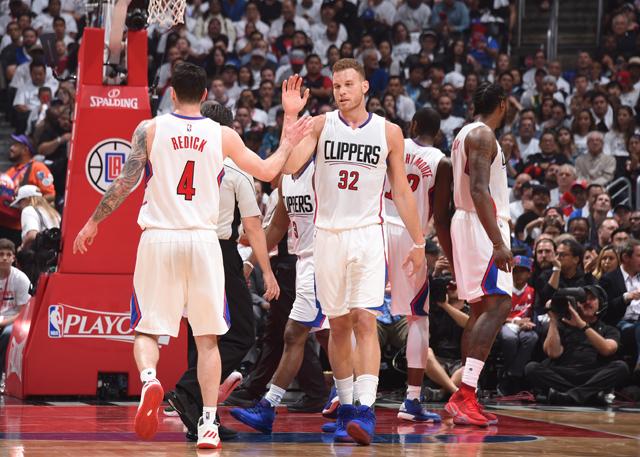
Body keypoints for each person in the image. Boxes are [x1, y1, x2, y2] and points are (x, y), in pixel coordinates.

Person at [72, 62, 312, 449]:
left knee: (148, 329)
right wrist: (287, 126)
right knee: (208, 341)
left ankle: (150, 380)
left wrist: (92, 222)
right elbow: (269, 171)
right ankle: (208, 425)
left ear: (170, 92)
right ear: (204, 95)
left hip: (159, 239)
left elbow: (125, 182)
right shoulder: (222, 135)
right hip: (204, 244)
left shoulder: (149, 129)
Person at [280, 60, 426, 445]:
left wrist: (419, 242)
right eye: (336, 85)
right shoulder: (320, 124)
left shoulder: (388, 132)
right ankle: (347, 409)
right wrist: (291, 117)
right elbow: (292, 166)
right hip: (326, 236)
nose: (341, 91)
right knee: (338, 326)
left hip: (366, 234)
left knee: (365, 319)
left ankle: (365, 408)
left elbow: (403, 190)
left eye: (348, 84)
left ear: (364, 87)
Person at [166, 102, 277, 442]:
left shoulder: (180, 161)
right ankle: (188, 389)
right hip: (217, 250)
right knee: (241, 333)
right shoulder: (235, 169)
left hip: (180, 246)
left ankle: (197, 420)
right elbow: (254, 227)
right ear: (230, 132)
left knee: (199, 334)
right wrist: (266, 272)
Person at [230, 138, 330, 433]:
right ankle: (347, 401)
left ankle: (270, 406)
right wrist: (251, 254)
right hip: (304, 262)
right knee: (324, 335)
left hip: (328, 258)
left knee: (298, 332)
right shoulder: (287, 180)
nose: (286, 151)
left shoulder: (322, 172)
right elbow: (277, 227)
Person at [444, 82, 512, 427]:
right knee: (500, 303)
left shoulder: (463, 133)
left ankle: (465, 394)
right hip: (482, 225)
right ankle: (466, 393)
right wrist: (499, 241)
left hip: (467, 222)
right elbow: (479, 189)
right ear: (502, 104)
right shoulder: (484, 135)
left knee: (480, 309)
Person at [384, 107, 452, 423]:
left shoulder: (393, 142)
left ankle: (344, 394)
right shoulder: (441, 161)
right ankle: (411, 400)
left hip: (376, 227)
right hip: (410, 237)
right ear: (437, 134)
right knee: (417, 320)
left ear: (412, 126)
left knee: (359, 312)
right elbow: (439, 216)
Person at [525, 285, 629, 405]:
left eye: (592, 299)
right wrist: (553, 320)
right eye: (583, 299)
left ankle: (568, 396)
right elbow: (553, 353)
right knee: (531, 368)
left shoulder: (608, 329)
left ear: (601, 304)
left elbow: (607, 349)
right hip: (564, 373)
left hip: (592, 374)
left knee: (621, 367)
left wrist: (581, 324)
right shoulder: (563, 324)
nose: (587, 302)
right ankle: (588, 396)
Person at [497, 256, 538, 395]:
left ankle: (511, 374)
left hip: (526, 325)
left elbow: (536, 314)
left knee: (531, 338)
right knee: (509, 338)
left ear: (529, 273)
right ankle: (514, 376)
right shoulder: (503, 291)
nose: (519, 274)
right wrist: (515, 321)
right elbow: (497, 316)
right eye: (515, 271)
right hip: (507, 324)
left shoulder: (532, 292)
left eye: (522, 271)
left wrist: (530, 323)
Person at [0, 239, 31, 383]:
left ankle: (4, 377)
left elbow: (23, 311)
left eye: (8, 254)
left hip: (13, 319)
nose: (4, 257)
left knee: (7, 334)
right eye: (1, 254)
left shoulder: (20, 279)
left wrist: (4, 322)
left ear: (13, 258)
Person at [10, 184, 60, 251]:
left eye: (19, 202)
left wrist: (21, 248)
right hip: (55, 256)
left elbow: (32, 235)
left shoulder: (28, 210)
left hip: (39, 257)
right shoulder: (54, 213)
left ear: (27, 199)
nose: (19, 206)